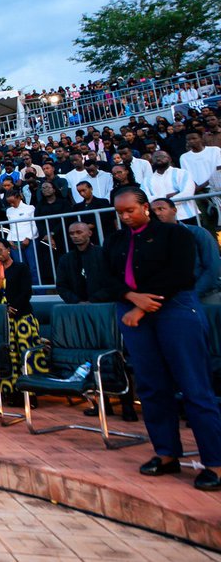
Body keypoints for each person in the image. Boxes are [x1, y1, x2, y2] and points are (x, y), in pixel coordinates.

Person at [104, 189, 221, 491]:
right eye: (120, 212)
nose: (125, 216)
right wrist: (131, 297)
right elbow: (104, 278)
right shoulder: (116, 240)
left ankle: (215, 462)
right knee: (152, 386)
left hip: (173, 309)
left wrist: (141, 306)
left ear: (145, 207)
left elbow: (181, 274)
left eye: (130, 210)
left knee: (194, 386)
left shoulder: (175, 234)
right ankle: (166, 453)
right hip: (131, 310)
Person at [0, 238, 45, 405]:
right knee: (9, 356)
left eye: (0, 250)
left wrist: (13, 307)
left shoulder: (20, 268)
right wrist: (3, 309)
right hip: (6, 320)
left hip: (22, 317)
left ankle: (31, 393)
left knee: (26, 354)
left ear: (8, 249)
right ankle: (11, 392)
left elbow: (26, 292)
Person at [151, 198, 221, 304]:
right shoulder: (152, 239)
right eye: (153, 211)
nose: (157, 213)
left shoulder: (198, 233)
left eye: (161, 209)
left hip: (206, 295)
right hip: (173, 300)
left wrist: (193, 293)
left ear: (174, 210)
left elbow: (213, 267)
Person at [56, 223, 110, 304]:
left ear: (89, 233)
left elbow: (112, 281)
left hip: (103, 305)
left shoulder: (104, 254)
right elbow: (61, 286)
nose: (75, 236)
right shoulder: (65, 259)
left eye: (79, 232)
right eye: (71, 233)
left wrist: (94, 300)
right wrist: (77, 301)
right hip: (77, 307)